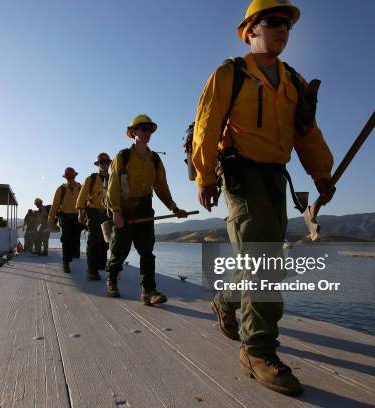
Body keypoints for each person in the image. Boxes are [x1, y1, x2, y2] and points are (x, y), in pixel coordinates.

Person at [192, 0, 335, 396]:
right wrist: (204, 177)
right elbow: (206, 126)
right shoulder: (230, 74)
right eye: (274, 22)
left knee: (268, 261)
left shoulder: (293, 81)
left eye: (287, 24)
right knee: (262, 262)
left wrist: (321, 174)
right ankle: (256, 351)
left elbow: (306, 133)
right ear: (250, 30)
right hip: (241, 177)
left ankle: (225, 300)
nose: (283, 29)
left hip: (276, 180)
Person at [105, 114, 188, 305]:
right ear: (133, 132)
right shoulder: (122, 156)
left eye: (149, 129)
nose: (147, 132)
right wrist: (116, 212)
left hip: (145, 209)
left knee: (147, 252)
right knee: (119, 250)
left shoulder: (155, 160)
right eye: (143, 128)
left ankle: (149, 291)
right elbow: (113, 186)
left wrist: (174, 208)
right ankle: (111, 280)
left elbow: (161, 187)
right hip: (124, 209)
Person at [77, 153, 112, 281]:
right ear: (98, 164)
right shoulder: (90, 179)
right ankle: (92, 270)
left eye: (106, 162)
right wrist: (80, 213)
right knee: (93, 240)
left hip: (108, 214)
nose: (104, 164)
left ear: (109, 163)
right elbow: (81, 197)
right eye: (101, 162)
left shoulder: (113, 179)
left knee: (105, 242)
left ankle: (100, 266)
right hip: (93, 213)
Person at [48, 168, 82, 272]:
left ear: (75, 177)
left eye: (72, 177)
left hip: (78, 217)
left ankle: (73, 253)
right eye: (68, 177)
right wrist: (52, 222)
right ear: (66, 178)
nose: (70, 179)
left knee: (76, 239)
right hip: (65, 217)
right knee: (66, 239)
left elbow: (86, 202)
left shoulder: (80, 188)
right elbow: (54, 207)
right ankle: (65, 263)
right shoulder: (61, 189)